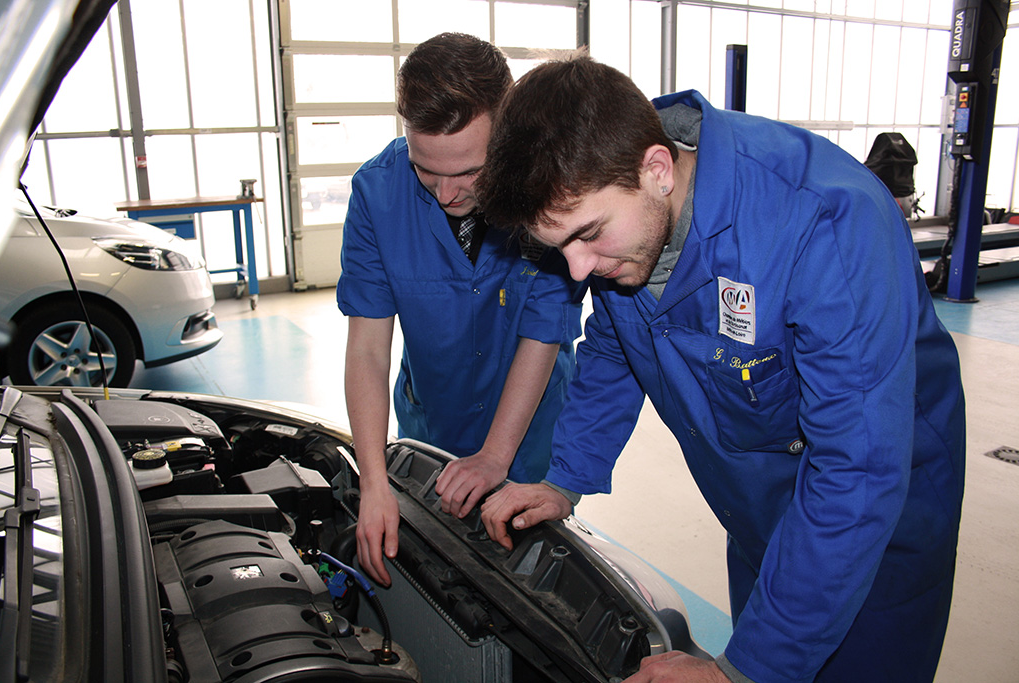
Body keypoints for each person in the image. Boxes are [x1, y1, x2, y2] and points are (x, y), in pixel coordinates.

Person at [477, 55, 965, 683]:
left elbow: (858, 470)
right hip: (757, 505)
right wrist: (564, 480)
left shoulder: (826, 223)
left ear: (657, 167)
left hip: (877, 522)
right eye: (558, 246)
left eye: (588, 235)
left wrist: (742, 670)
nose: (576, 270)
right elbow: (614, 344)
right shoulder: (624, 206)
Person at [337, 34, 584, 588]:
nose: (447, 194)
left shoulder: (545, 183)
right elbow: (369, 348)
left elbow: (543, 333)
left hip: (529, 427)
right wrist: (373, 480)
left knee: (532, 587)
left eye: (470, 171)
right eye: (427, 171)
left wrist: (497, 456)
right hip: (433, 422)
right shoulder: (376, 195)